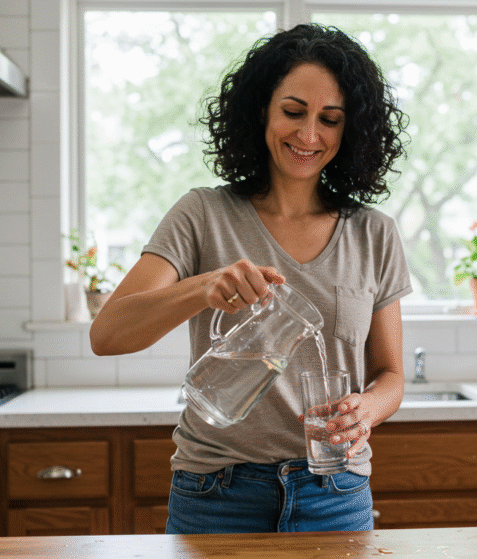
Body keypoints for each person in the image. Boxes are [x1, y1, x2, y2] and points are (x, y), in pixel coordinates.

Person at [89, 23, 410, 534]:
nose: (309, 135)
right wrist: (202, 287)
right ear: (261, 110)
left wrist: (366, 409)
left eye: (329, 120)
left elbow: (390, 374)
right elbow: (107, 335)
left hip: (336, 493)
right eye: (293, 112)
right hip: (216, 493)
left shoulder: (374, 232)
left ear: (350, 130)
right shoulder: (202, 214)